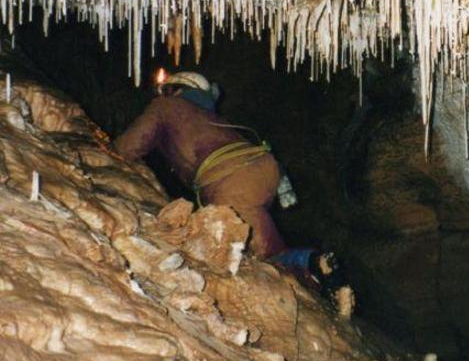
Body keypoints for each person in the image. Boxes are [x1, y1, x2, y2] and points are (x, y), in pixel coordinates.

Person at [114, 70, 353, 315]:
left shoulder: (166, 106)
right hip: (265, 169)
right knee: (270, 252)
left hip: (231, 177)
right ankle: (320, 273)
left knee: (251, 255)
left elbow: (130, 145)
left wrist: (108, 153)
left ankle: (312, 269)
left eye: (167, 90)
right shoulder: (211, 118)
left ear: (177, 89)